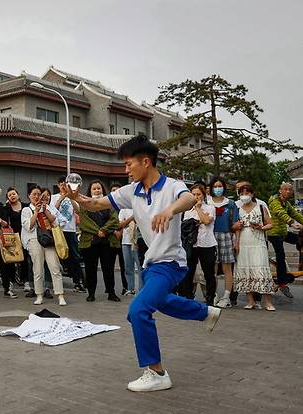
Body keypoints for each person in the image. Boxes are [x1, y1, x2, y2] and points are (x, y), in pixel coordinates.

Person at [69, 134, 221, 392]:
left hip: (170, 262)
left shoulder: (172, 186)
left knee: (138, 311)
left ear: (146, 162)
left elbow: (189, 199)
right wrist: (79, 199)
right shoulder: (131, 192)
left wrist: (169, 210)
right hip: (151, 264)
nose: (126, 170)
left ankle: (157, 372)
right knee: (159, 301)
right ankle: (205, 312)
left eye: (129, 164)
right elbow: (95, 204)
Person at [21, 185, 67, 306]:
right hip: (34, 240)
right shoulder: (26, 210)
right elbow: (28, 226)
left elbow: (56, 223)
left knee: (55, 267)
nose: (36, 197)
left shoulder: (47, 208)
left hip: (48, 240)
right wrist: (36, 212)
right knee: (38, 269)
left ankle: (60, 295)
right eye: (34, 194)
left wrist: (45, 210)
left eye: (38, 194)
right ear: (29, 196)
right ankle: (39, 295)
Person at [233, 184, 275, 310]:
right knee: (245, 269)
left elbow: (270, 224)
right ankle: (250, 301)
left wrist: (261, 227)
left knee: (261, 269)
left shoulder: (261, 207)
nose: (244, 196)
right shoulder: (237, 209)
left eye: (247, 193)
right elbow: (237, 229)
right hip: (244, 242)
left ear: (252, 194)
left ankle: (267, 302)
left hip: (258, 242)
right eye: (241, 194)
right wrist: (237, 243)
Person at [78, 180, 121, 302]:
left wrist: (104, 230)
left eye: (99, 188)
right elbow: (84, 222)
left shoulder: (109, 203)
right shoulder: (85, 204)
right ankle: (91, 293)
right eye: (94, 188)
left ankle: (111, 292)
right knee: (90, 268)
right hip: (90, 241)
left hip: (107, 241)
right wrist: (97, 231)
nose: (97, 190)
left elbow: (114, 220)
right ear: (90, 191)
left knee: (108, 268)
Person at [178, 184, 218, 305]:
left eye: (198, 194)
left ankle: (210, 298)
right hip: (191, 245)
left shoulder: (210, 208)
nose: (196, 197)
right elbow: (185, 227)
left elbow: (206, 221)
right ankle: (188, 297)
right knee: (188, 272)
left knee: (209, 273)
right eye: (193, 194)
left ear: (204, 195)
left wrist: (199, 209)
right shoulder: (187, 211)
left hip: (207, 244)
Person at [267, 182, 303, 299]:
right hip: (273, 234)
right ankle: (282, 283)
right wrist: (292, 223)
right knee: (280, 254)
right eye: (286, 189)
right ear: (280, 190)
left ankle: (301, 265)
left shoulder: (286, 203)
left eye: (290, 190)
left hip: (283, 233)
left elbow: (295, 214)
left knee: (300, 240)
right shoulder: (274, 201)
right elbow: (280, 213)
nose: (288, 191)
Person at [52, 176, 86, 293]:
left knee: (75, 256)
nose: (63, 185)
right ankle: (56, 282)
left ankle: (78, 282)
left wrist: (70, 197)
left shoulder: (74, 197)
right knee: (57, 256)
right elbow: (53, 210)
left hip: (71, 230)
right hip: (58, 230)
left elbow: (78, 210)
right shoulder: (53, 197)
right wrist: (61, 198)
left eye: (65, 183)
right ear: (58, 185)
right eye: (61, 183)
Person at [209, 177, 237, 308]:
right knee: (212, 268)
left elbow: (235, 223)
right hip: (210, 236)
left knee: (227, 268)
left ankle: (226, 296)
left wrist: (236, 241)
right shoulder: (206, 202)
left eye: (220, 186)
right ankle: (213, 294)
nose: (218, 188)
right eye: (215, 186)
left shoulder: (230, 203)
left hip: (226, 235)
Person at [6, 187, 31, 296]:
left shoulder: (26, 206)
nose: (12, 196)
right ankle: (11, 281)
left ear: (18, 195)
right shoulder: (7, 208)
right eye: (10, 195)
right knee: (12, 259)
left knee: (25, 259)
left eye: (14, 194)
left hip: (25, 236)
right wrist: (7, 205)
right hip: (12, 237)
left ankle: (25, 281)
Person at [109, 183, 129, 295]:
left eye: (118, 190)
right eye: (113, 190)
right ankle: (110, 288)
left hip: (124, 240)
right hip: (111, 240)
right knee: (109, 266)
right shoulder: (108, 206)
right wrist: (114, 230)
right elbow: (107, 222)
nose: (115, 192)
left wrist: (121, 230)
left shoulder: (125, 205)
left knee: (124, 266)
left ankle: (126, 287)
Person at [117, 208, 139, 296]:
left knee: (140, 267)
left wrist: (126, 222)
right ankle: (130, 288)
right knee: (128, 267)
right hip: (125, 241)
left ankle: (142, 289)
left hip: (137, 241)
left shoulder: (139, 206)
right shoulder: (123, 209)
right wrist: (131, 219)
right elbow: (119, 225)